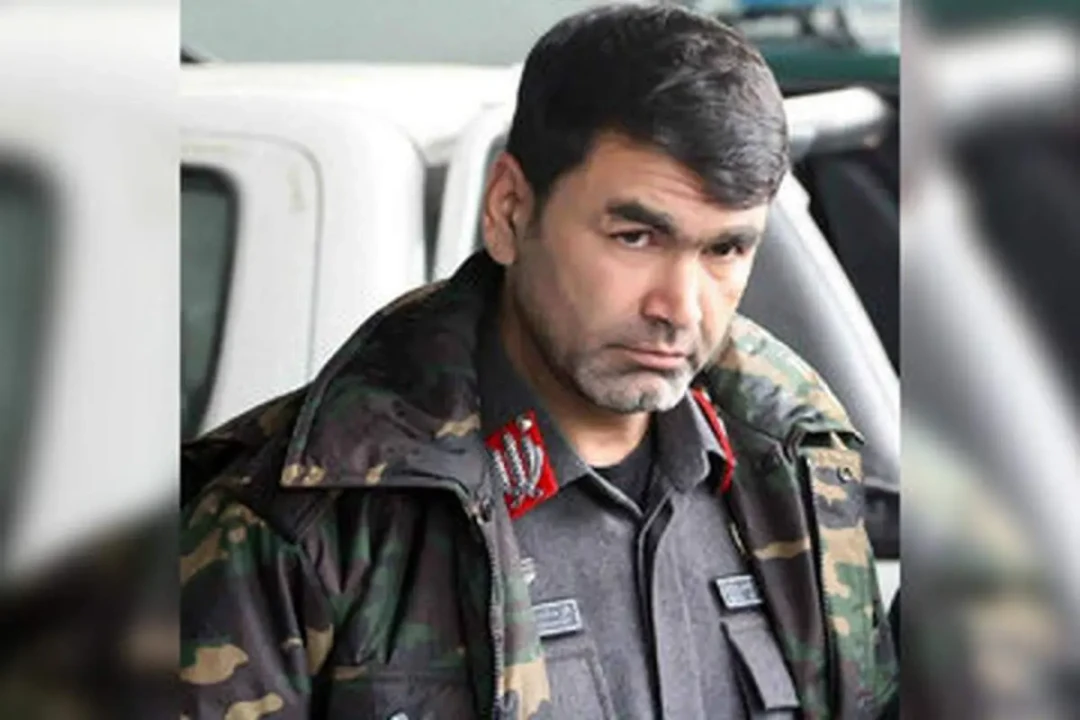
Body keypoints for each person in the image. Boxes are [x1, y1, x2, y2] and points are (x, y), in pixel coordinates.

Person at [180, 5, 897, 718]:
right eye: (635, 237)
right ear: (509, 210)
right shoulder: (292, 528)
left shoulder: (796, 476)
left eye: (725, 249)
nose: (679, 308)